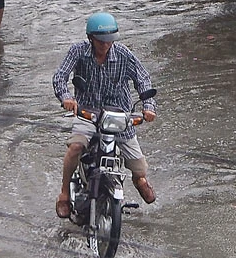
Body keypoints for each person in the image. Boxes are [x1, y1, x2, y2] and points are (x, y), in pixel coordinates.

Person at [52, 12, 157, 219]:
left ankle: (141, 182)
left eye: (109, 41)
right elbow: (60, 77)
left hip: (119, 117)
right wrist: (66, 98)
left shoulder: (124, 54)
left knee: (139, 168)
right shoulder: (78, 52)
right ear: (91, 38)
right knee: (75, 147)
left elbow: (143, 79)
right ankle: (64, 193)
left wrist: (148, 106)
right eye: (101, 41)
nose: (106, 45)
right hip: (87, 114)